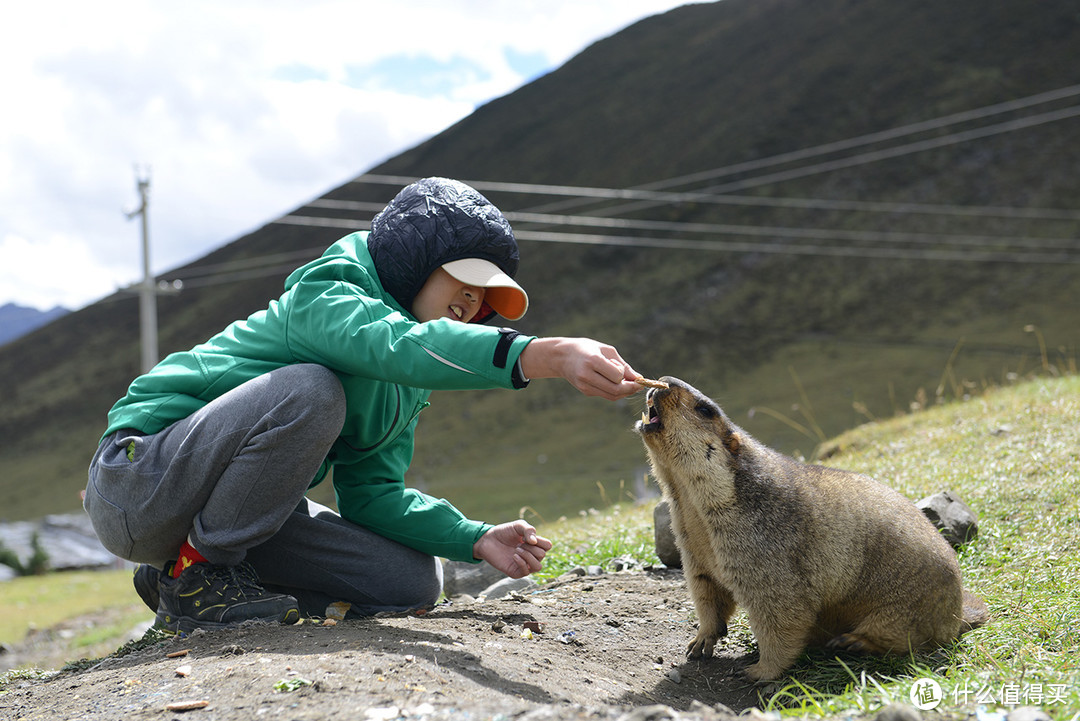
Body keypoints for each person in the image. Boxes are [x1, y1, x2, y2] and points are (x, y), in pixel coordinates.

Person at [84, 176, 642, 634]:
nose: (474, 303)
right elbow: (395, 345)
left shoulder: (404, 384)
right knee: (311, 390)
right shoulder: (327, 296)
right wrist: (545, 354)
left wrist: (473, 536)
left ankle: (179, 579)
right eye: (464, 278)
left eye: (486, 297)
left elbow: (373, 495)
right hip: (137, 479)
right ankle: (202, 579)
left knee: (409, 581)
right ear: (415, 257)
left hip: (213, 516)